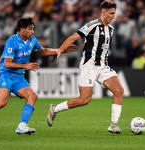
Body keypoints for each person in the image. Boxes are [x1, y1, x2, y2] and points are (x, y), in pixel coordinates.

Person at [0, 17, 76, 136]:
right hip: (5, 75)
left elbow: (44, 51)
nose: (33, 32)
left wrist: (59, 51)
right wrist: (25, 66)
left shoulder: (32, 40)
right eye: (30, 29)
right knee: (1, 103)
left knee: (32, 96)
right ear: (22, 29)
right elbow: (7, 63)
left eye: (33, 29)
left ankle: (22, 126)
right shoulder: (12, 41)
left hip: (18, 78)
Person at [47, 1, 124, 134]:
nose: (113, 16)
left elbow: (103, 48)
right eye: (111, 13)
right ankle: (55, 109)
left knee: (119, 90)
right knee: (84, 100)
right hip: (88, 66)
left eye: (114, 13)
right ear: (104, 12)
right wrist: (60, 49)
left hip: (102, 67)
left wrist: (105, 62)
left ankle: (113, 124)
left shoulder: (111, 30)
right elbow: (73, 37)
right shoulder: (92, 25)